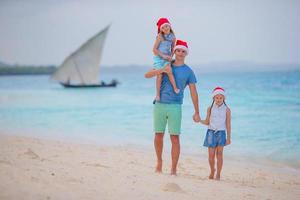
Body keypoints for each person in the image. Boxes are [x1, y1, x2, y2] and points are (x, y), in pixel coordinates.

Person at [145, 39, 201, 175]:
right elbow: (147, 75)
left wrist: (197, 111)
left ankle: (173, 169)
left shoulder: (189, 72)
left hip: (175, 106)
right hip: (159, 104)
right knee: (158, 135)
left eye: (183, 51)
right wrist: (162, 69)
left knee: (175, 137)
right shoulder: (165, 64)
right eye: (178, 50)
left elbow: (193, 92)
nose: (180, 53)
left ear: (186, 54)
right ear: (174, 51)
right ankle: (159, 162)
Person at [199, 87, 231, 180]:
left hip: (221, 133)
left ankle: (218, 174)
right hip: (211, 133)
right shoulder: (210, 108)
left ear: (224, 98)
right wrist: (199, 120)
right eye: (216, 98)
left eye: (221, 98)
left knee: (220, 154)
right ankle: (212, 170)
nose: (218, 100)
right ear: (213, 98)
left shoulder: (227, 110)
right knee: (211, 155)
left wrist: (228, 138)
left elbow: (228, 124)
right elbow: (207, 122)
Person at [152, 18, 179, 102]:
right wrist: (163, 55)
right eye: (163, 28)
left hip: (167, 58)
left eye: (167, 26)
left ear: (169, 26)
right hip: (159, 58)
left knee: (169, 72)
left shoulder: (173, 37)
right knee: (159, 75)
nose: (165, 28)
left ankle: (175, 88)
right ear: (161, 29)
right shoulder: (160, 37)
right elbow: (154, 50)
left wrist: (171, 56)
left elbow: (173, 48)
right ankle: (157, 94)